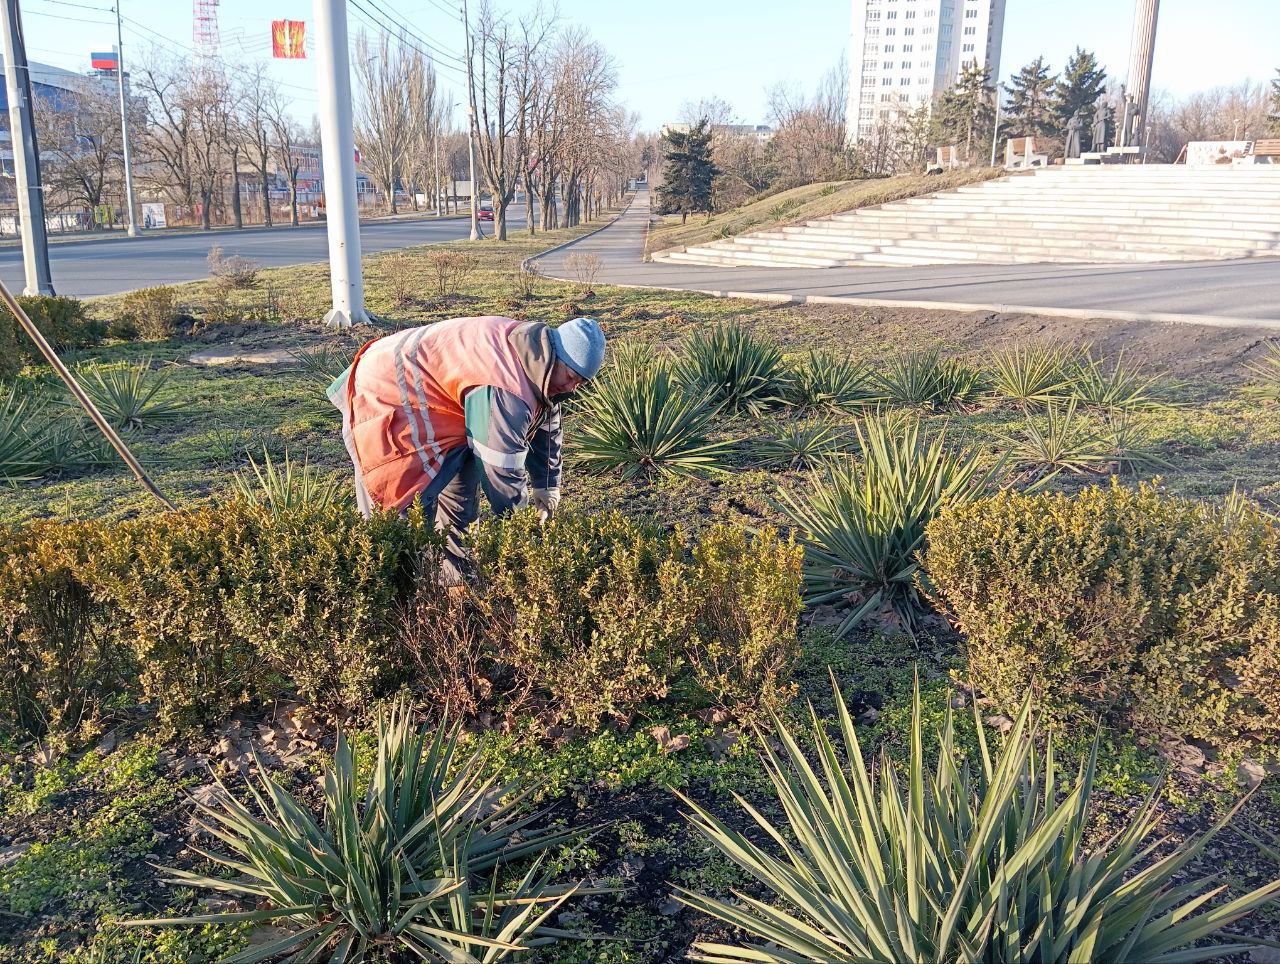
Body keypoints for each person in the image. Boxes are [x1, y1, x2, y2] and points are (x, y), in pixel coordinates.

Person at [328, 315, 606, 583]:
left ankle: (453, 583)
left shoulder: (540, 363)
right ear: (555, 355)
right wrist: (521, 531)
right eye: (569, 376)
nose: (571, 387)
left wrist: (547, 487)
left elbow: (547, 425)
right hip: (386, 392)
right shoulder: (505, 383)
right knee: (401, 513)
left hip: (441, 403)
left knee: (461, 496)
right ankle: (393, 599)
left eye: (580, 383)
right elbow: (500, 468)